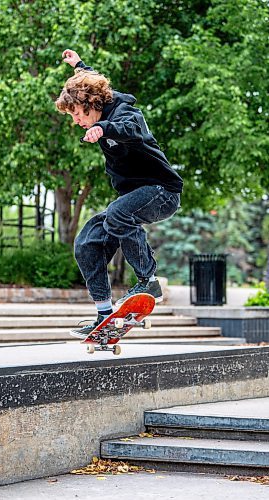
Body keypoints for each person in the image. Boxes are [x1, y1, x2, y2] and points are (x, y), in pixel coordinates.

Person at [55, 49, 183, 338]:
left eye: (76, 113)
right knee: (87, 241)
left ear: (91, 104)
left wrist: (102, 128)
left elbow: (130, 129)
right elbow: (91, 81)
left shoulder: (126, 113)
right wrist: (78, 66)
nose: (76, 120)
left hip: (163, 191)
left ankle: (148, 279)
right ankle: (104, 314)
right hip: (136, 195)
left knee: (118, 213)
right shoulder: (96, 99)